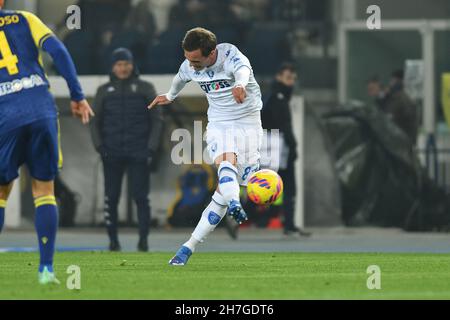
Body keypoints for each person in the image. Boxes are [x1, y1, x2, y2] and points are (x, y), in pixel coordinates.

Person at [149, 27, 263, 265]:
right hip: (219, 122)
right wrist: (170, 95)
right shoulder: (189, 64)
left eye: (196, 60)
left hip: (248, 122)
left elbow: (242, 70)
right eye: (188, 58)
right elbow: (180, 77)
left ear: (212, 54)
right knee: (225, 161)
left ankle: (187, 248)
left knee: (220, 195)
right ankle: (234, 201)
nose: (191, 64)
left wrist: (240, 85)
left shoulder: (231, 56)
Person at [0, 3, 94, 284]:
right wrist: (77, 94)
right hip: (40, 107)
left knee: (1, 193)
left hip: (5, 113)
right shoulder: (26, 19)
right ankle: (45, 271)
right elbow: (58, 51)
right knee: (44, 190)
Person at [90, 48, 163, 252]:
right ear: (113, 67)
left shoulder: (145, 87)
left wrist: (151, 148)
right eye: (119, 64)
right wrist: (100, 147)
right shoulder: (104, 90)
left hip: (139, 151)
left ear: (132, 65)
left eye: (126, 64)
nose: (123, 68)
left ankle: (143, 241)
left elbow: (157, 119)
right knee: (111, 198)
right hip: (111, 153)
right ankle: (113, 241)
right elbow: (94, 121)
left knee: (141, 197)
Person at [261, 63, 306, 236]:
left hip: (271, 147)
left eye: (293, 79)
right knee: (286, 185)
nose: (291, 82)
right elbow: (284, 125)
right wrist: (293, 145)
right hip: (277, 147)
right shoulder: (278, 98)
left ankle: (289, 225)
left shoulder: (272, 97)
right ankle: (289, 225)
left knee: (271, 185)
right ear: (279, 77)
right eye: (288, 78)